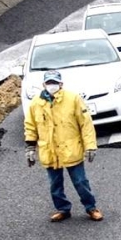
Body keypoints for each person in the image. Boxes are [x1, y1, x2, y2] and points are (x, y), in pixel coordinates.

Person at [24, 69, 104, 222]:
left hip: (71, 149)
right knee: (55, 185)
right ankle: (63, 209)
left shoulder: (73, 99)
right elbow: (30, 125)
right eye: (49, 83)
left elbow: (85, 124)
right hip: (50, 151)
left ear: (61, 84)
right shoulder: (36, 103)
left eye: (55, 83)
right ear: (44, 84)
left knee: (81, 182)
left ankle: (91, 208)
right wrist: (30, 147)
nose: (52, 85)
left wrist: (90, 146)